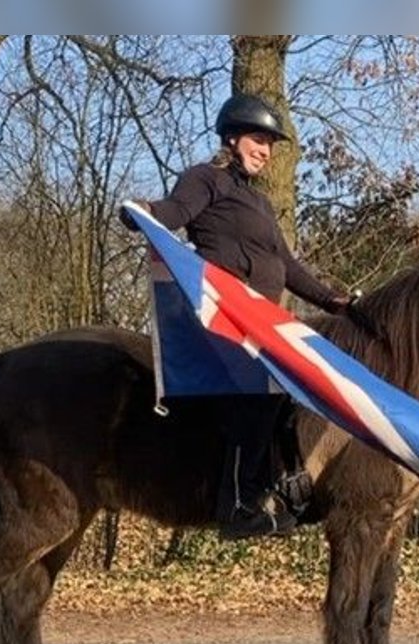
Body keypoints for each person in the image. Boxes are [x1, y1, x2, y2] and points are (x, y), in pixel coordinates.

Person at [121, 93, 358, 540]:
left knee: (296, 388)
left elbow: (286, 267)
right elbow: (176, 212)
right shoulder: (204, 179)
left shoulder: (262, 206)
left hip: (260, 323)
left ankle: (281, 486)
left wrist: (333, 302)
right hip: (221, 320)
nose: (265, 151)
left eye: (270, 144)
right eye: (258, 139)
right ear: (232, 138)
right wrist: (145, 213)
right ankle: (235, 505)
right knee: (259, 393)